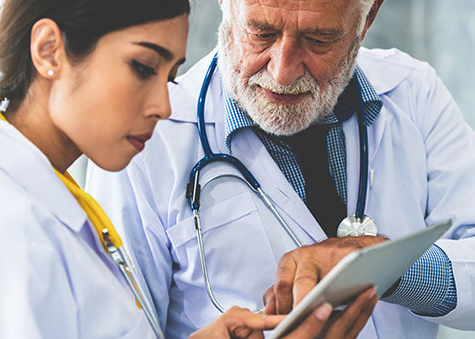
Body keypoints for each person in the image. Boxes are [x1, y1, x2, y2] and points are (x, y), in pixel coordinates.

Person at [0, 0, 379, 338]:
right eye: (143, 68)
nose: (163, 107)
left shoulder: (46, 194)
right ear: (48, 50)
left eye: (170, 76)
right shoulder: (4, 226)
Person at [86, 0, 475, 338]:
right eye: (261, 32)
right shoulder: (145, 138)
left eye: (319, 39)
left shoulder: (414, 93)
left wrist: (389, 266)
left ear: (368, 16)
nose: (282, 71)